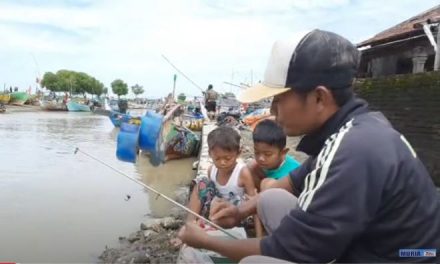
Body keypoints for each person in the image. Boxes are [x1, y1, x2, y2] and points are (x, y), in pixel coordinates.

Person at [178, 29, 440, 263]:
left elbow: (283, 250)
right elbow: (291, 182)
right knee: (269, 197)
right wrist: (237, 212)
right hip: (376, 246)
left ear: (318, 97)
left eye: (279, 99)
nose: (272, 110)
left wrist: (205, 241)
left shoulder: (354, 151)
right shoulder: (354, 130)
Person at [186, 126, 263, 237]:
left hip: (235, 216)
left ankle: (205, 226)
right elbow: (208, 194)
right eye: (217, 158)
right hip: (214, 212)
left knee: (229, 217)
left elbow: (254, 204)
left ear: (238, 153)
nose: (222, 162)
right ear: (210, 154)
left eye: (227, 158)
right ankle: (190, 226)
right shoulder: (211, 170)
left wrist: (259, 236)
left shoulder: (242, 173)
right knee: (201, 183)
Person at [248, 119, 300, 191]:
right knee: (251, 166)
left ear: (283, 152)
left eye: (267, 154)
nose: (261, 158)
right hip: (268, 188)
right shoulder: (260, 165)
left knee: (265, 183)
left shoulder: (293, 173)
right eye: (257, 152)